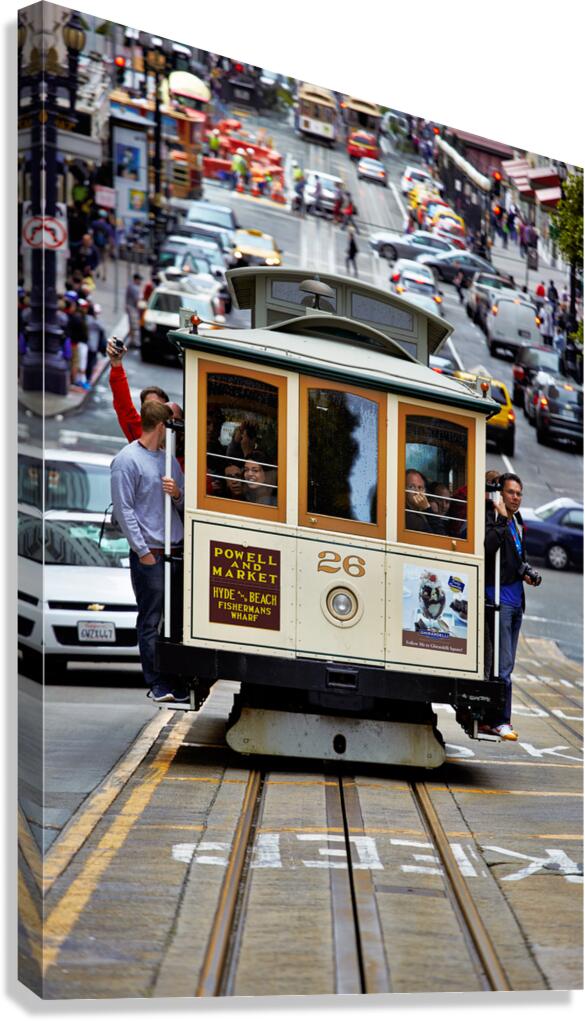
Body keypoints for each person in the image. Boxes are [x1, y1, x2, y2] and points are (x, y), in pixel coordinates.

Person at [111, 401, 186, 703]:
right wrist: (142, 551)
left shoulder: (170, 462)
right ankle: (157, 683)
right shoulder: (127, 460)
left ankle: (177, 680)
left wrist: (177, 494)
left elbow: (184, 505)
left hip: (175, 549)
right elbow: (123, 509)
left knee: (178, 619)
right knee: (151, 619)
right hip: (151, 554)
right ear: (161, 427)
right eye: (171, 428)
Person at [483, 472, 539, 740]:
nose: (515, 497)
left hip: (516, 602)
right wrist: (501, 518)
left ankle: (495, 718)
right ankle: (500, 720)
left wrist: (525, 572)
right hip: (500, 601)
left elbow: (516, 559)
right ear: (500, 494)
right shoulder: (495, 518)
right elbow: (487, 547)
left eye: (519, 493)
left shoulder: (517, 521)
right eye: (510, 492)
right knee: (502, 666)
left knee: (507, 664)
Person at [404, 469, 445, 535]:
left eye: (420, 488)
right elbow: (440, 536)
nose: (417, 492)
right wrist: (427, 508)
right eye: (411, 487)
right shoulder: (410, 518)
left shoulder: (421, 511)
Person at [125, 272, 142, 348]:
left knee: (131, 326)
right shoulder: (134, 288)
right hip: (133, 308)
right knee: (134, 326)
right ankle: (134, 342)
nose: (140, 282)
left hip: (130, 307)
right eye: (139, 280)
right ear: (136, 279)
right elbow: (137, 300)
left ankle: (131, 340)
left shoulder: (130, 286)